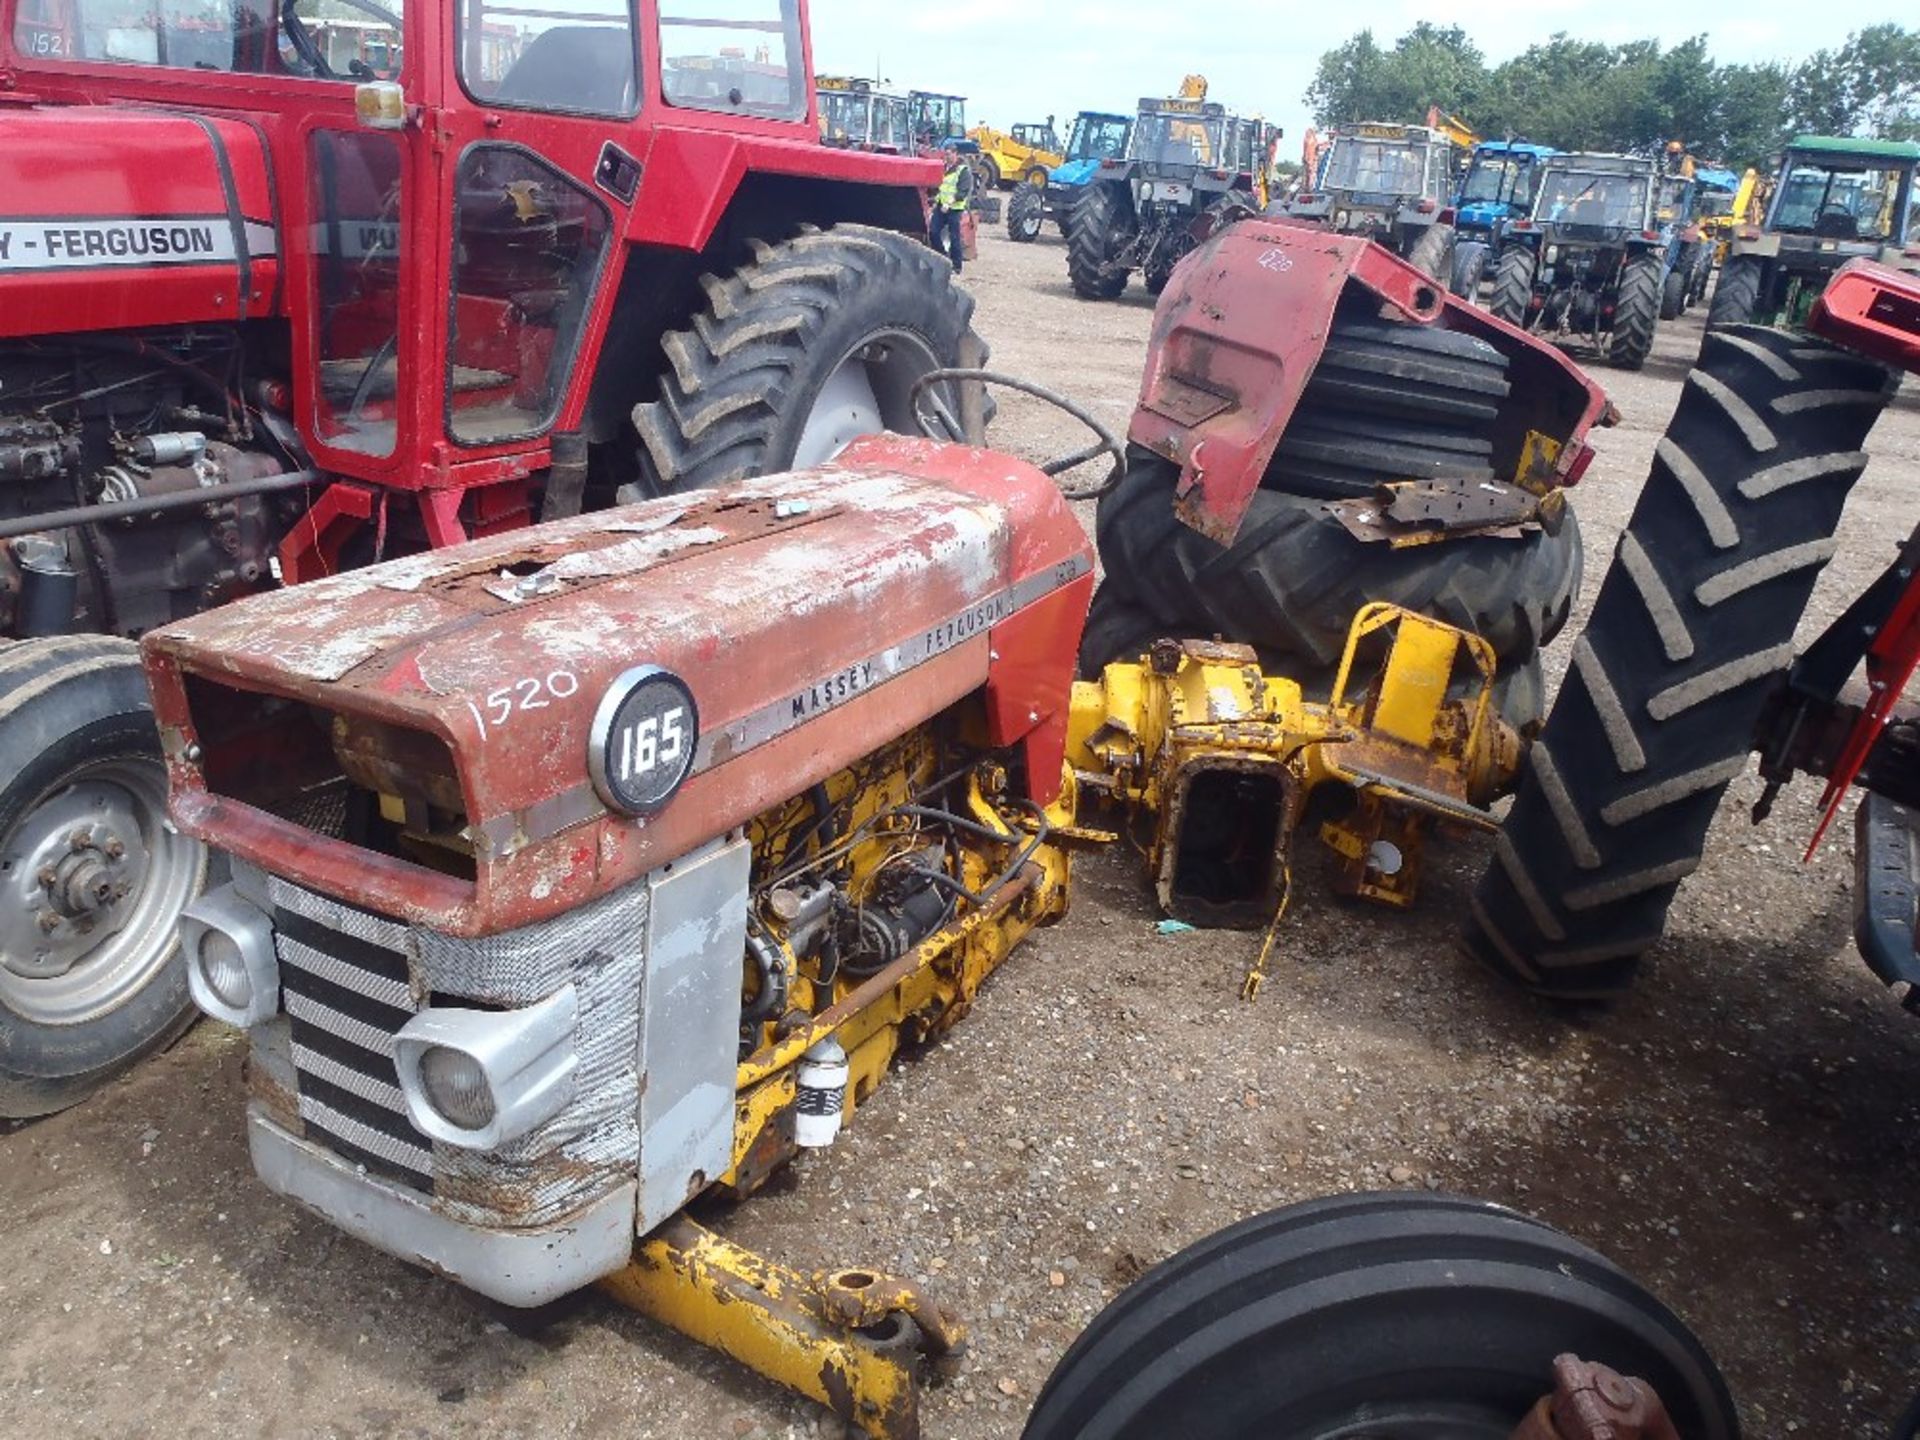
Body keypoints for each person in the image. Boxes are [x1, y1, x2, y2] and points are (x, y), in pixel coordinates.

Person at [929, 149, 973, 274]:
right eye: (945, 155)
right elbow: (941, 188)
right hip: (941, 206)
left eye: (949, 154)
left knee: (954, 237)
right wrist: (935, 202)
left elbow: (963, 191)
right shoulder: (943, 168)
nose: (946, 157)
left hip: (954, 208)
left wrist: (949, 203)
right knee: (933, 231)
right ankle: (942, 258)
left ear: (955, 154)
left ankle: (956, 266)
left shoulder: (963, 171)